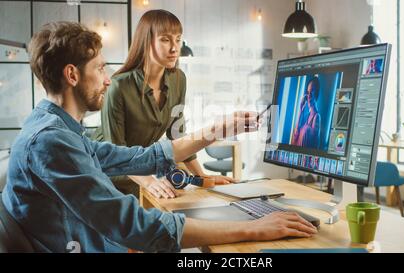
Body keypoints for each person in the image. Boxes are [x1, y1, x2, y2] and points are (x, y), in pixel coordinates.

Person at [1, 22, 317, 253]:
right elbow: (131, 224)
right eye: (99, 69)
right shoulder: (50, 141)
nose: (107, 79)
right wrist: (252, 230)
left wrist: (216, 130)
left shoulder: (58, 129)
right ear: (72, 75)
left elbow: (140, 157)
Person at [93, 10, 233, 199]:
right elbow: (115, 153)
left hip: (142, 171)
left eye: (178, 39)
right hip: (107, 173)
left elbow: (177, 133)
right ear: (146, 41)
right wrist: (149, 181)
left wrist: (201, 176)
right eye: (166, 40)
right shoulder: (119, 85)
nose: (175, 48)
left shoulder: (178, 79)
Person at [291, 76, 322, 148]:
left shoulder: (317, 117)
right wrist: (300, 110)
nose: (308, 96)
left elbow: (315, 146)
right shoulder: (307, 115)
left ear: (316, 94)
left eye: (311, 93)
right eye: (308, 93)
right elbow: (294, 138)